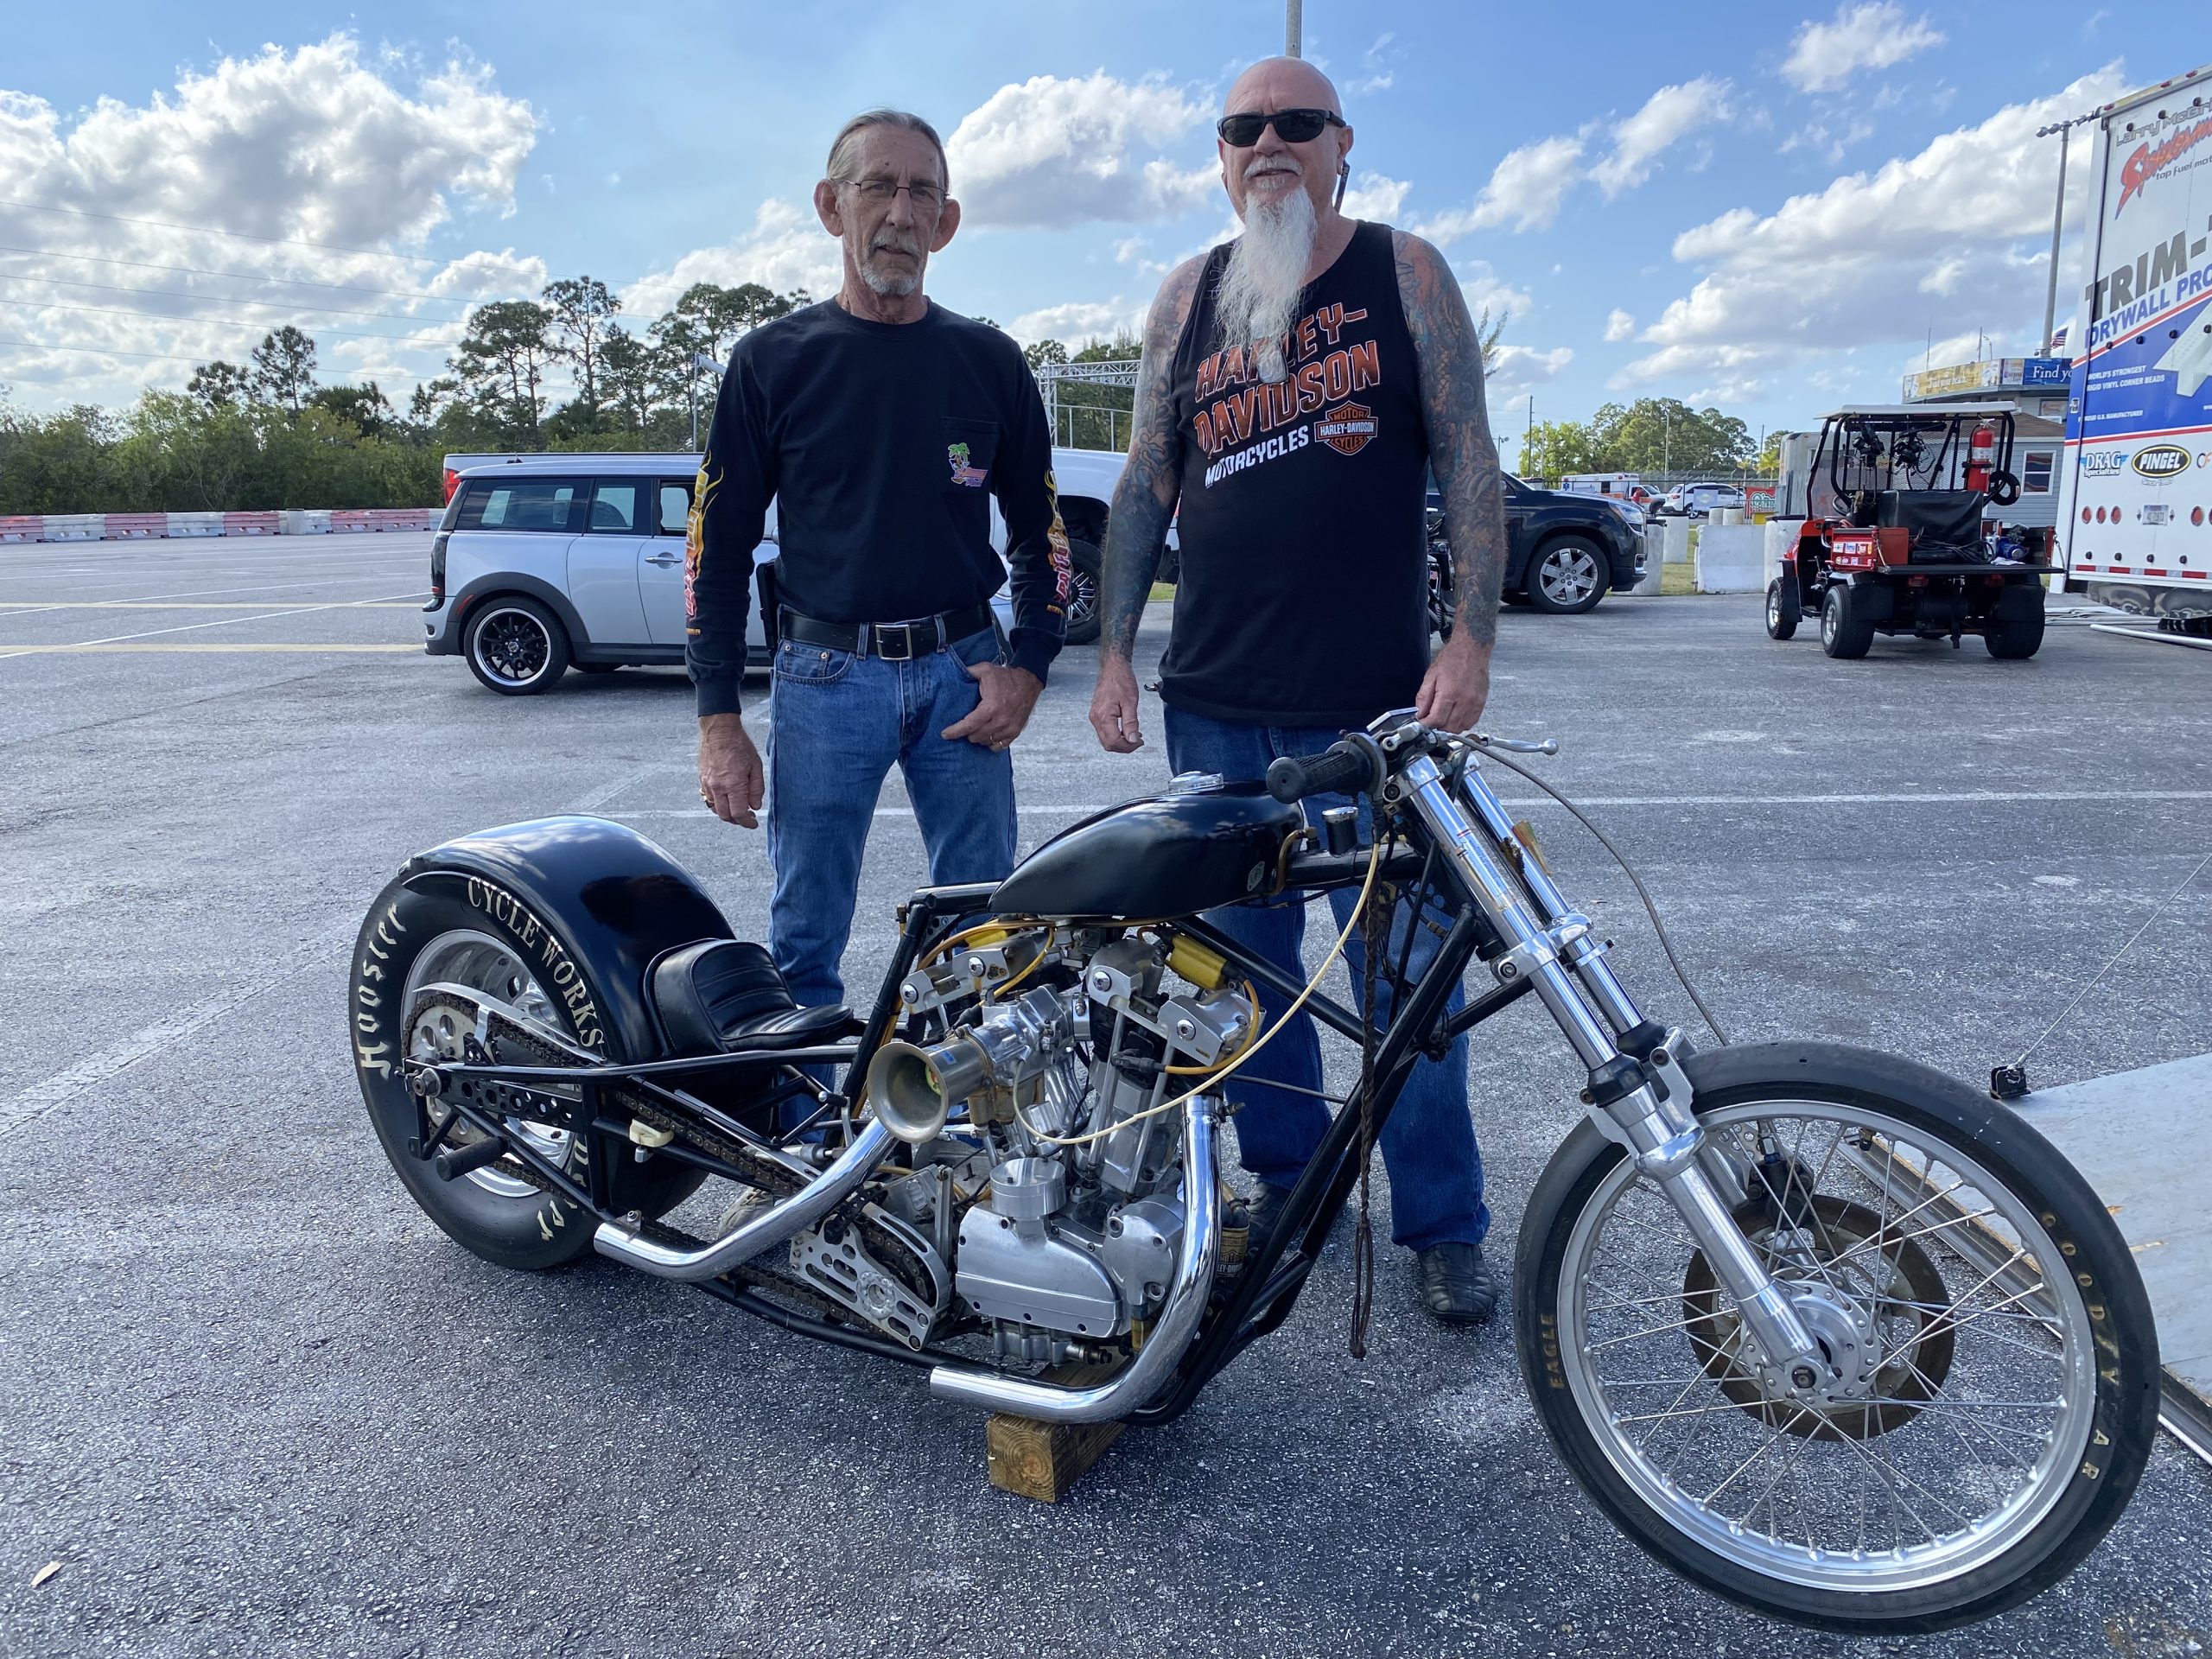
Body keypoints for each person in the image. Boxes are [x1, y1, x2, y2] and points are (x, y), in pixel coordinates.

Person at [1087, 59, 1510, 1325]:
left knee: (1410, 982)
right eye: (1243, 127)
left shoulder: (1406, 272)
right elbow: (1145, 485)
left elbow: (1473, 460)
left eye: (1296, 123)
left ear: (1340, 145)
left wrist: (1472, 641)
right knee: (1246, 985)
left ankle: (1442, 1224)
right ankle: (1289, 1185)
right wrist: (1112, 652)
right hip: (1214, 706)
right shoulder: (1185, 298)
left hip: (1379, 713)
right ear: (1222, 157)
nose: (1268, 142)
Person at [689, 108, 1071, 1014]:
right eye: (878, 187)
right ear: (831, 207)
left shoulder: (990, 363)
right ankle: (811, 1133)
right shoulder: (771, 364)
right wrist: (716, 719)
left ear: (946, 222)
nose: (900, 212)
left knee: (980, 934)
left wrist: (1030, 667)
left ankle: (962, 1123)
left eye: (922, 192)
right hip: (824, 681)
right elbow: (717, 546)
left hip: (963, 677)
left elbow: (1043, 533)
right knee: (805, 935)